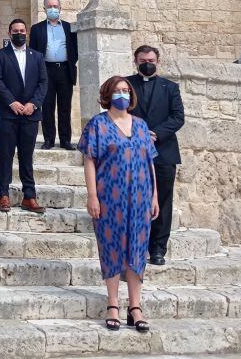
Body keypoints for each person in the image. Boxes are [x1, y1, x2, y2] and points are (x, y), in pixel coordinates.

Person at [79, 75, 160, 333]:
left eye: (126, 90)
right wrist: (92, 195)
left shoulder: (140, 125)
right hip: (109, 198)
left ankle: (135, 306)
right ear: (107, 94)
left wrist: (154, 196)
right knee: (112, 248)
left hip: (139, 198)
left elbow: (150, 163)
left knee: (137, 249)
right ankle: (113, 304)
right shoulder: (98, 125)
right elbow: (89, 160)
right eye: (117, 90)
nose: (122, 94)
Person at [126, 45, 184, 266]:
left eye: (150, 60)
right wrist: (136, 133)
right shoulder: (126, 84)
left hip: (163, 152)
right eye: (142, 60)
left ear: (158, 62)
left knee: (163, 200)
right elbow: (118, 112)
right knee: (134, 199)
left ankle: (158, 248)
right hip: (132, 151)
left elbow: (178, 117)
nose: (147, 63)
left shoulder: (170, 87)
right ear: (136, 61)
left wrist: (156, 134)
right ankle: (136, 245)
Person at [0, 19, 48, 213]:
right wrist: (11, 102)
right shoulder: (0, 55)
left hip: (31, 114)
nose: (19, 33)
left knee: (26, 157)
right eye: (15, 31)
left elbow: (43, 82)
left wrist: (33, 104)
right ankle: (3, 195)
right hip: (8, 114)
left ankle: (29, 196)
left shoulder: (37, 56)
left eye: (22, 30)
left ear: (27, 33)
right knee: (6, 155)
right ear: (9, 32)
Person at [29, 0, 79, 150]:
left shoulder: (69, 28)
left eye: (55, 6)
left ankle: (65, 140)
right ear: (44, 9)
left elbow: (75, 49)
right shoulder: (37, 29)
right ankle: (49, 139)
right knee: (47, 106)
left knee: (65, 107)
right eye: (49, 6)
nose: (53, 9)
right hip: (46, 70)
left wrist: (69, 61)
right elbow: (33, 51)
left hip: (65, 70)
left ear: (60, 8)